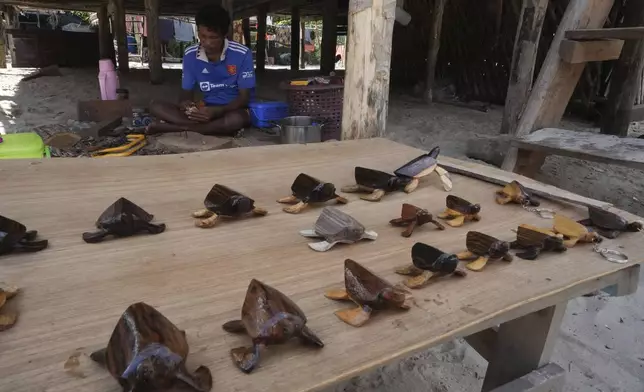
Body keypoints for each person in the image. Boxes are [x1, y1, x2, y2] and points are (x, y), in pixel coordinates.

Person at [147, 5, 254, 136]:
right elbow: (185, 95)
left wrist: (218, 111)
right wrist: (188, 107)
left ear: (225, 35)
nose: (207, 42)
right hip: (204, 112)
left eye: (213, 37)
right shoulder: (190, 54)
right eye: (202, 36)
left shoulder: (242, 54)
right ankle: (205, 128)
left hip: (231, 110)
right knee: (155, 105)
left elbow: (244, 98)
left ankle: (173, 127)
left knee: (236, 120)